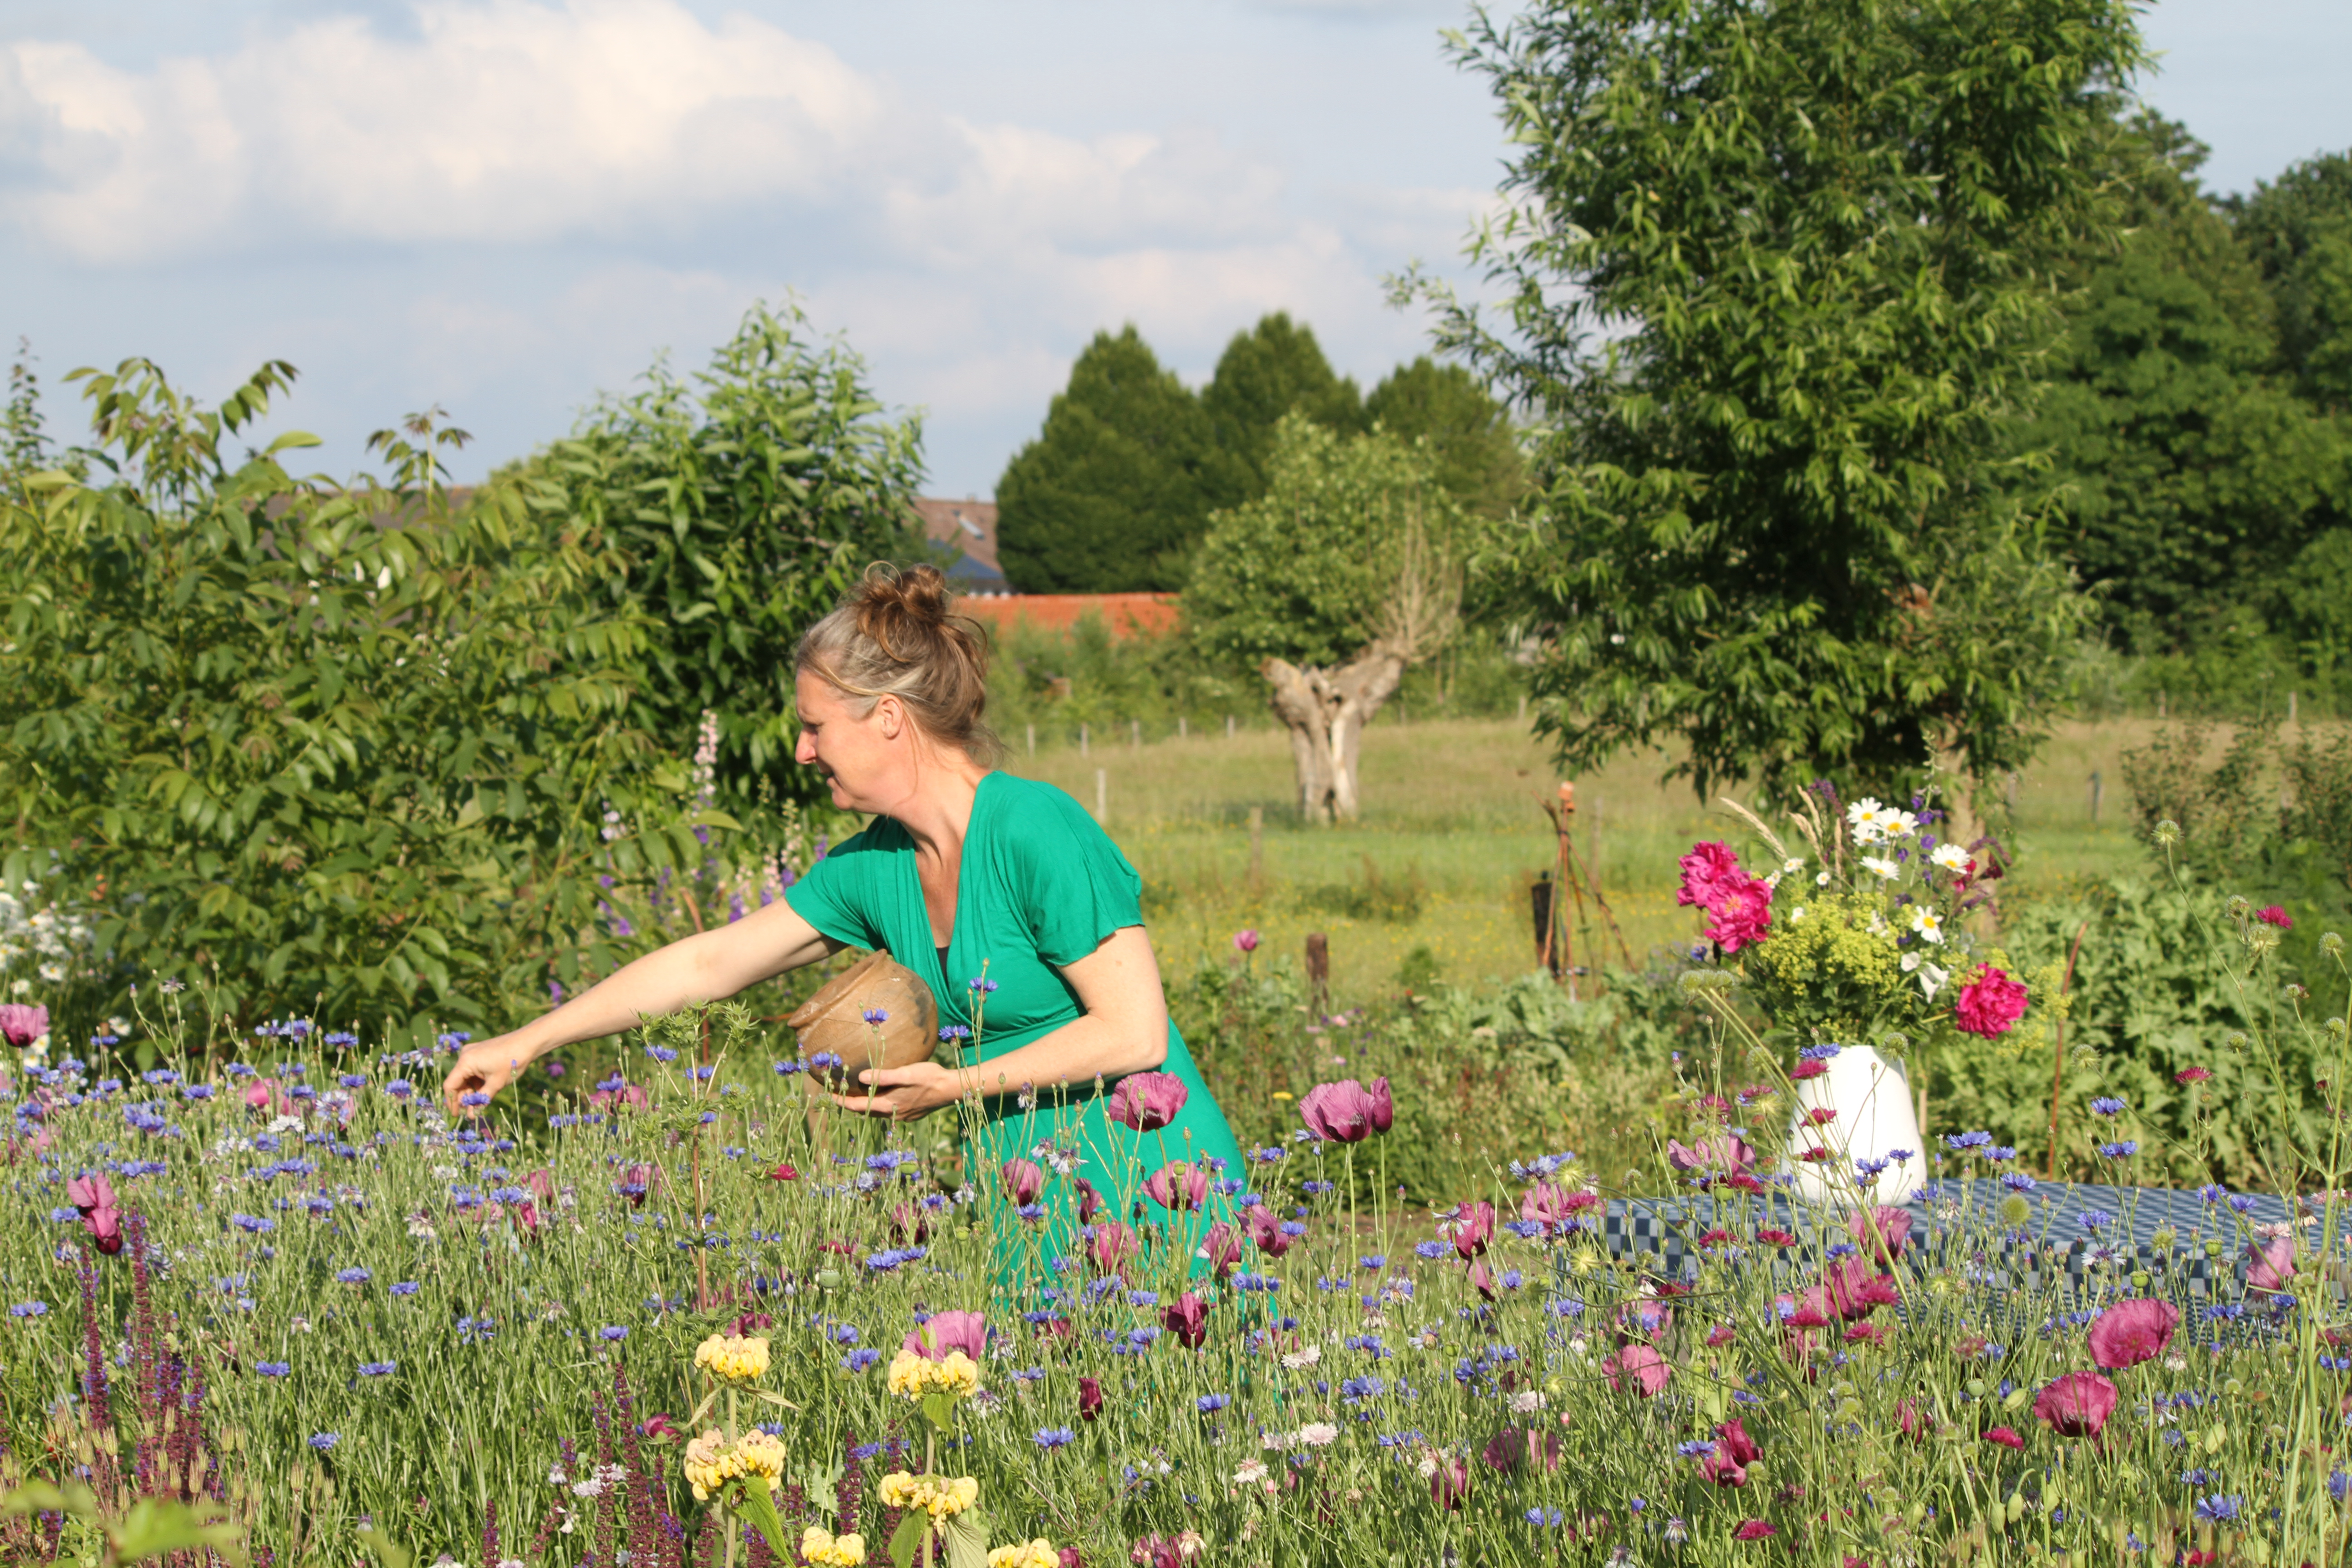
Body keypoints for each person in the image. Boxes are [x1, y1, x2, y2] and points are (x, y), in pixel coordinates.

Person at [442, 563, 1246, 1281]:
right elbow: (705, 967)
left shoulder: (1037, 829)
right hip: (1028, 1204)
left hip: (1157, 1194)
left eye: (815, 725)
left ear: (888, 718)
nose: (800, 749)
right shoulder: (874, 864)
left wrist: (953, 1087)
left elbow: (1134, 1034)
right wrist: (527, 1042)